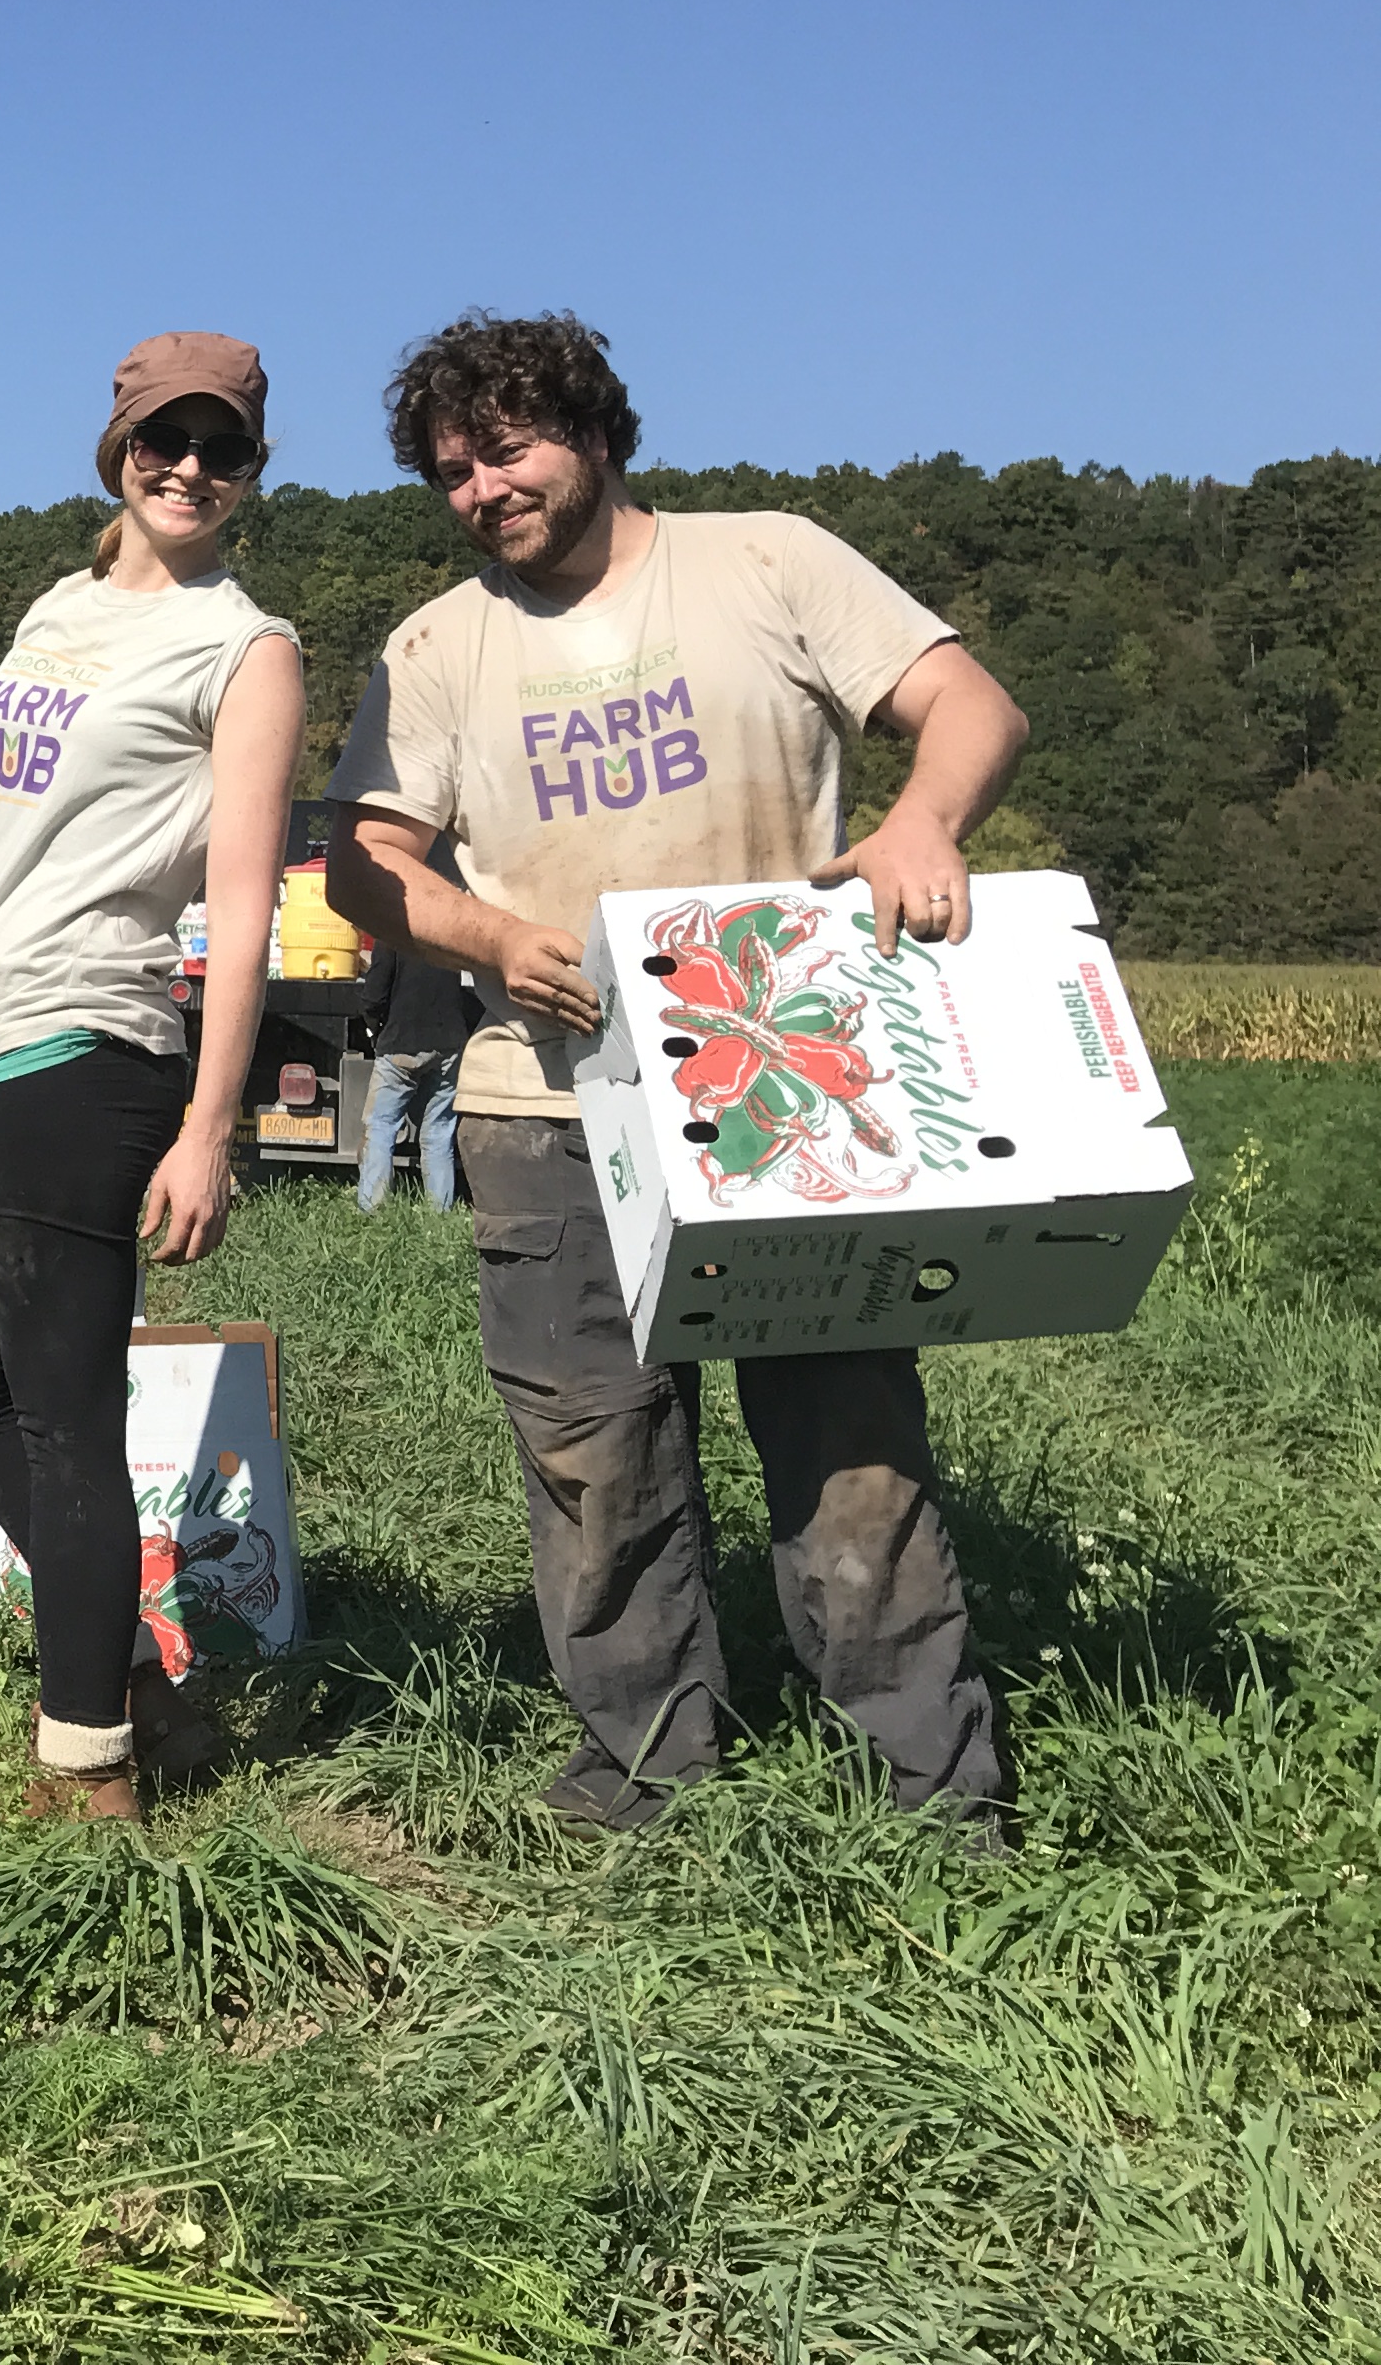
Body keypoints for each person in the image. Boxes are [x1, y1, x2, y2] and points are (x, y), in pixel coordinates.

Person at [323, 310, 1028, 1835]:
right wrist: (492, 937)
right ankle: (643, 1772)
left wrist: (924, 824)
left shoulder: (766, 561)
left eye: (504, 450)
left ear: (595, 431)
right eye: (449, 470)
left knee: (853, 1459)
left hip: (787, 1094)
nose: (479, 490)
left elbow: (971, 704)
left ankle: (934, 1793)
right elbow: (367, 863)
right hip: (546, 1104)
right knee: (594, 1461)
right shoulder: (438, 647)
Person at [0, 331, 304, 1825]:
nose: (188, 466)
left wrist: (212, 1122)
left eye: (223, 446)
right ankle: (126, 1659)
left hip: (101, 1042)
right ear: (116, 447)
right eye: (163, 438)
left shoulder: (246, 648)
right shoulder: (54, 609)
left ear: (253, 472)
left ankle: (91, 1768)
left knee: (64, 1409)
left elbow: (247, 904)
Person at [353, 942, 471, 1212]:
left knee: (381, 1126)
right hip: (449, 1044)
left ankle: (372, 1210)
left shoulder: (390, 934)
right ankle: (439, 1214)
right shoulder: (444, 934)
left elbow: (374, 996)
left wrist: (374, 1031)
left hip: (400, 1045)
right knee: (439, 1132)